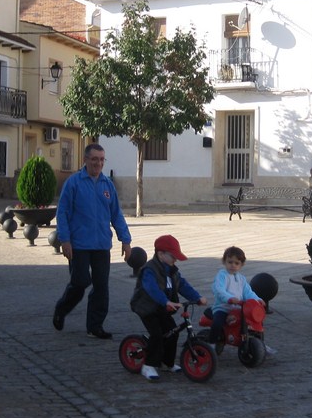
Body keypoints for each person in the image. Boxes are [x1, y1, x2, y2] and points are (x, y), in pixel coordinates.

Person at [52, 143, 132, 339]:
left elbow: (116, 214)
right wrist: (65, 240)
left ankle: (95, 327)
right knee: (79, 283)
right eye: (95, 159)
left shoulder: (107, 185)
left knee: (101, 287)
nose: (98, 163)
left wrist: (126, 240)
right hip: (78, 245)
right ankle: (62, 309)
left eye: (102, 159)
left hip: (101, 245)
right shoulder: (74, 183)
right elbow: (62, 213)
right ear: (86, 159)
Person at [129, 235, 207, 382]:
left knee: (172, 332)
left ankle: (167, 362)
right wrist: (165, 301)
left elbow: (182, 285)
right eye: (173, 256)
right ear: (160, 254)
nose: (175, 260)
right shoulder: (149, 270)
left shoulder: (172, 271)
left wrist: (197, 297)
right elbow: (152, 289)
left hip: (162, 308)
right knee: (157, 334)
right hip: (146, 308)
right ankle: (148, 365)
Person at [209, 246, 265, 355]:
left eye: (236, 263)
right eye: (230, 262)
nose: (233, 265)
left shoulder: (241, 278)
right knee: (217, 322)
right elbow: (219, 289)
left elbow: (248, 292)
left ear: (241, 265)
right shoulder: (222, 275)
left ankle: (258, 343)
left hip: (239, 308)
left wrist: (257, 300)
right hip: (223, 307)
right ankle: (211, 344)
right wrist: (229, 298)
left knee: (254, 321)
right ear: (224, 261)